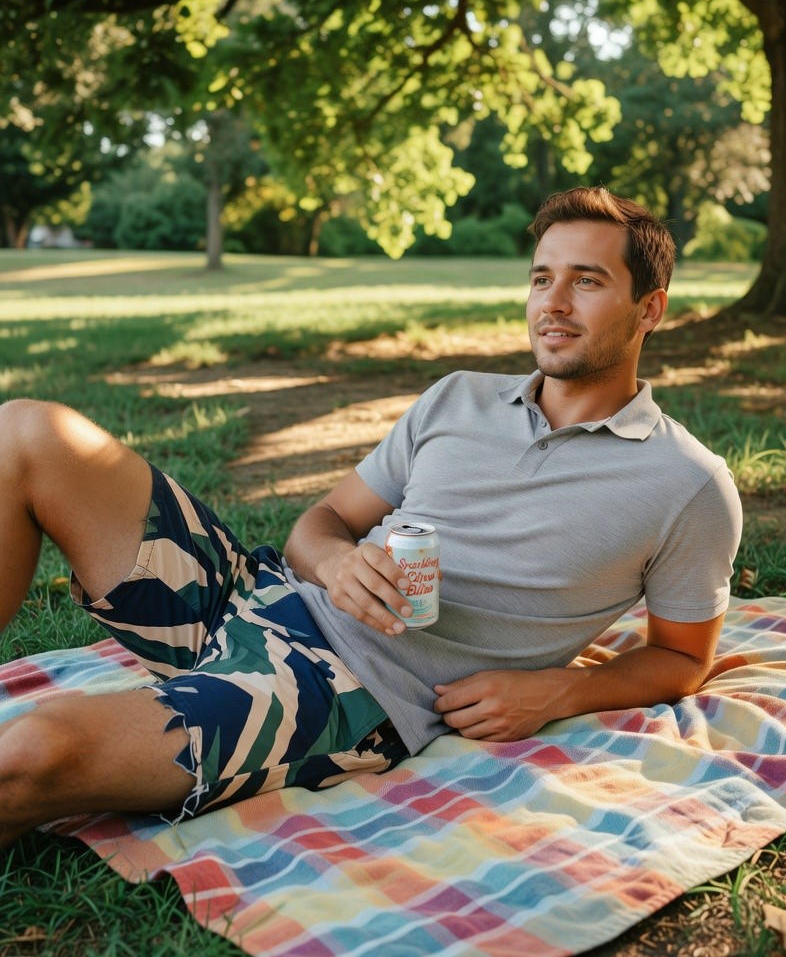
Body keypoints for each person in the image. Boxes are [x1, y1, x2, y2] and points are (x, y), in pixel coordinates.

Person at [0, 186, 742, 846]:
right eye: (542, 277)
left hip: (346, 691)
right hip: (253, 593)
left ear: (650, 307)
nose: (552, 302)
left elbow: (683, 658)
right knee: (26, 431)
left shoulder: (687, 483)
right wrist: (337, 562)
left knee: (29, 755)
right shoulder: (456, 397)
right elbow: (320, 521)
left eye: (588, 282)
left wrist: (563, 690)